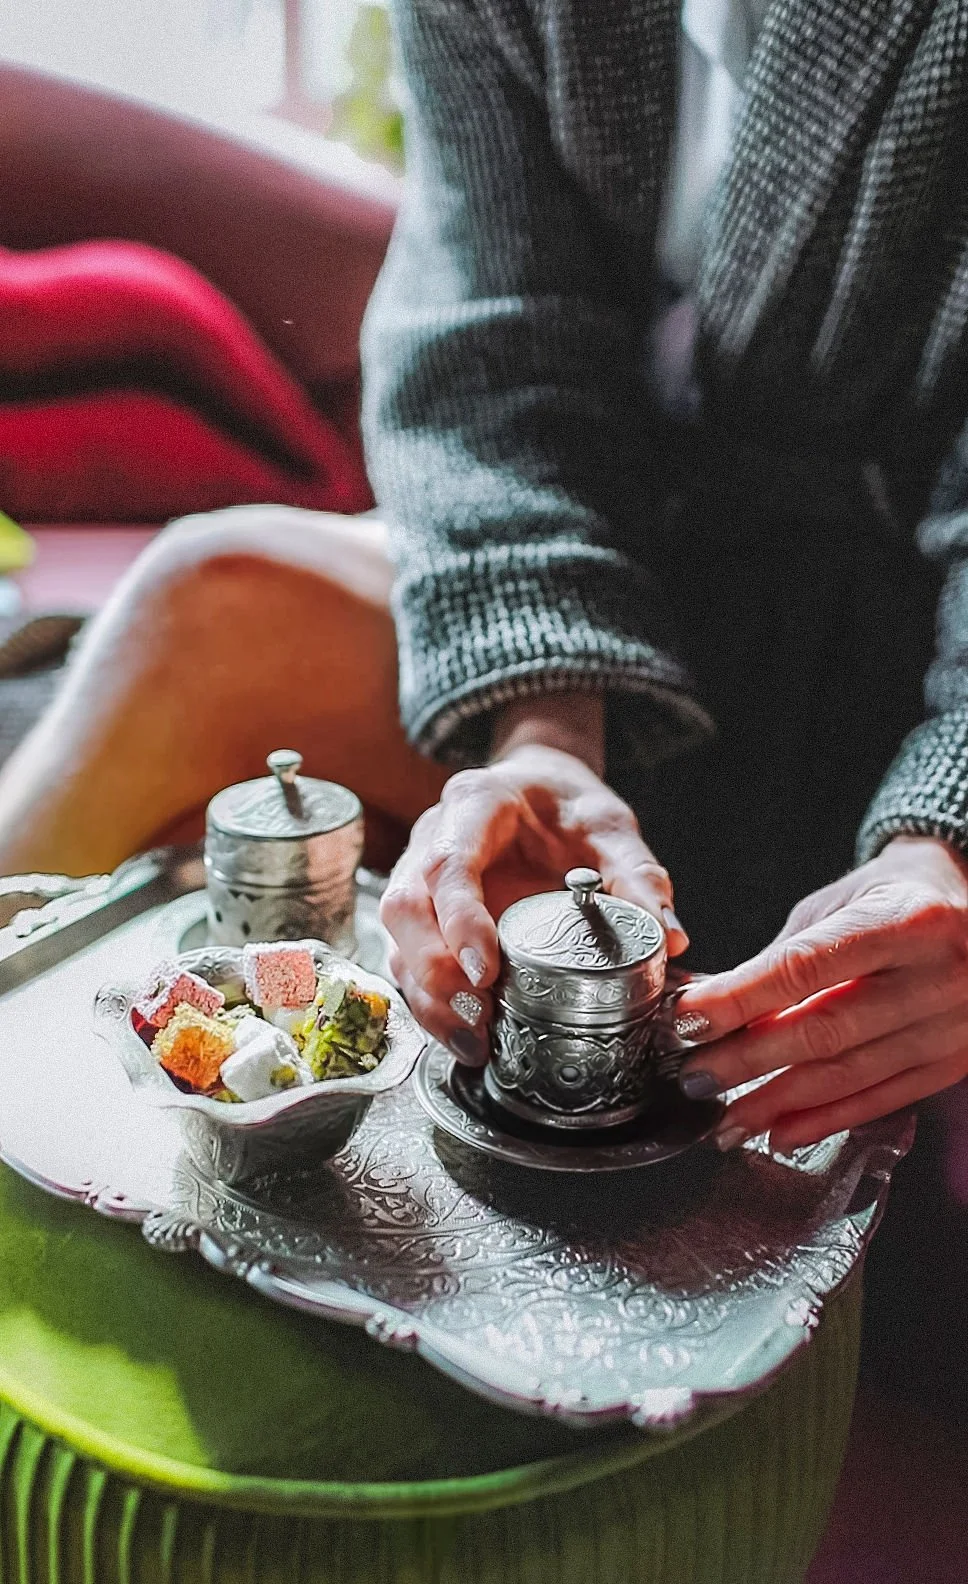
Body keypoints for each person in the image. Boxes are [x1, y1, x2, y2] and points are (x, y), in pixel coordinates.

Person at [1, 0, 968, 1169]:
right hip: (611, 576)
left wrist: (945, 837)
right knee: (211, 600)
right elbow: (488, 336)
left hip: (898, 648)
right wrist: (540, 730)